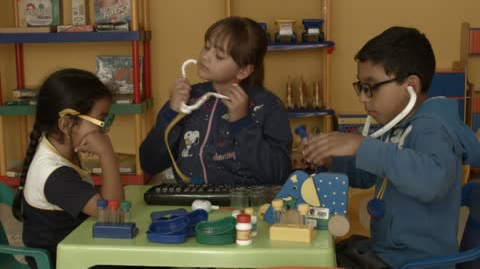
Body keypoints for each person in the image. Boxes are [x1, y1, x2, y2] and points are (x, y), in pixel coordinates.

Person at [300, 26, 480, 269]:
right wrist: (331, 159)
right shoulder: (395, 126)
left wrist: (362, 146)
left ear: (411, 87)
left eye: (371, 86)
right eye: (361, 87)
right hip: (387, 253)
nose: (363, 97)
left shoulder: (432, 128)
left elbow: (432, 180)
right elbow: (368, 174)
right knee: (319, 255)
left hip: (416, 263)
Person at [140, 16, 292, 185]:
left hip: (245, 208)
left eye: (219, 55)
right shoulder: (189, 98)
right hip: (191, 207)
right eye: (206, 47)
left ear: (243, 70)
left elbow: (278, 175)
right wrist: (172, 112)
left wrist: (243, 123)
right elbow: (149, 163)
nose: (205, 57)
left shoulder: (267, 106)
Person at [11, 68, 124, 269]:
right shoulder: (55, 174)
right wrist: (107, 153)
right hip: (65, 263)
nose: (105, 129)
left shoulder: (59, 150)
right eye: (101, 120)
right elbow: (111, 212)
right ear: (66, 123)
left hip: (77, 251)